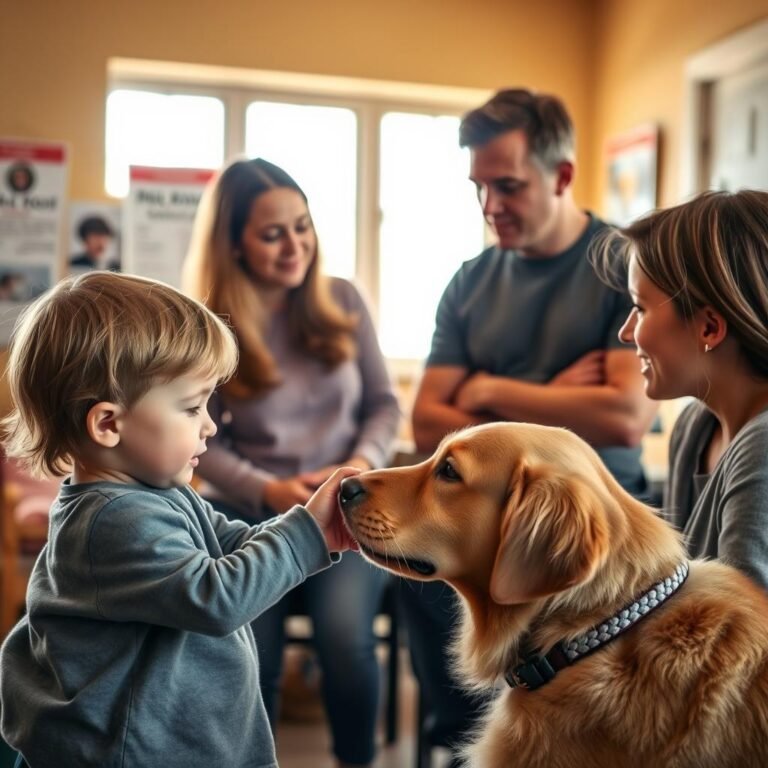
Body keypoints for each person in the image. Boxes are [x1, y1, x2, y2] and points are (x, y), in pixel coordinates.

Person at [0, 271, 360, 768]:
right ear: (108, 423)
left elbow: (233, 545)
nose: (211, 424)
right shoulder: (111, 522)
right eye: (192, 407)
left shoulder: (155, 492)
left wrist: (318, 528)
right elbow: (218, 596)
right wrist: (304, 536)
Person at [405, 88, 658, 762]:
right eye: (479, 187)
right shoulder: (468, 281)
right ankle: (460, 746)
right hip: (476, 512)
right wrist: (554, 395)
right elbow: (427, 417)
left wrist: (486, 392)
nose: (490, 206)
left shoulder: (617, 268)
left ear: (562, 175)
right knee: (413, 571)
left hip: (588, 519)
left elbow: (625, 416)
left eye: (508, 186)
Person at [181, 158, 400, 768]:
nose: (294, 245)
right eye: (272, 233)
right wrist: (272, 490)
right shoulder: (209, 323)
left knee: (345, 639)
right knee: (254, 651)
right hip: (250, 512)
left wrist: (359, 464)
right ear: (235, 244)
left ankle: (357, 762)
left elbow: (384, 407)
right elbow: (202, 439)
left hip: (349, 508)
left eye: (302, 226)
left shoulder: (344, 301)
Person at [594, 188, 768, 591]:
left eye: (639, 308)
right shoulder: (695, 425)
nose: (625, 332)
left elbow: (740, 646)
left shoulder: (761, 449)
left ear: (709, 327)